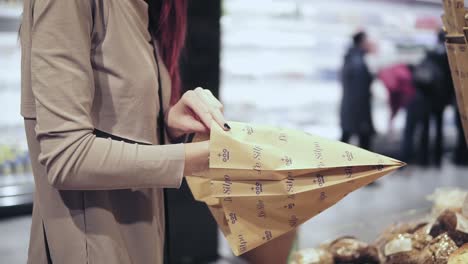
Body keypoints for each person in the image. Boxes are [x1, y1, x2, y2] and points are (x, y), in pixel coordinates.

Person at [20, 1, 230, 263]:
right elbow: (66, 157)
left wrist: (166, 126)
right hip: (92, 248)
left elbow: (113, 121)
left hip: (139, 242)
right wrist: (192, 158)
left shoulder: (139, 8)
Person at [340, 31, 375, 150]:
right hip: (358, 109)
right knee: (363, 141)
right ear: (362, 42)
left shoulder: (351, 57)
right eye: (367, 41)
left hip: (350, 108)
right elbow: (360, 90)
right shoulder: (358, 61)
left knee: (346, 138)